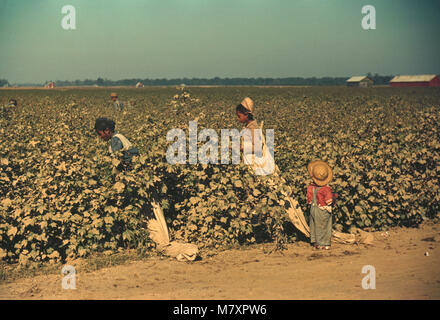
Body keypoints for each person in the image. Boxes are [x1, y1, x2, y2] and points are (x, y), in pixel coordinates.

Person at [236, 97, 275, 176]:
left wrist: (242, 148)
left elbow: (258, 148)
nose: (238, 119)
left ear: (246, 115)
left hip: (255, 163)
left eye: (239, 116)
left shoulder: (253, 128)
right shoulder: (250, 126)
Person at [307, 160, 333, 250]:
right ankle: (324, 244)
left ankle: (315, 242)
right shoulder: (326, 189)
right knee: (324, 226)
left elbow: (309, 200)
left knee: (314, 225)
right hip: (322, 209)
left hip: (313, 208)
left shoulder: (311, 187)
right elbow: (329, 201)